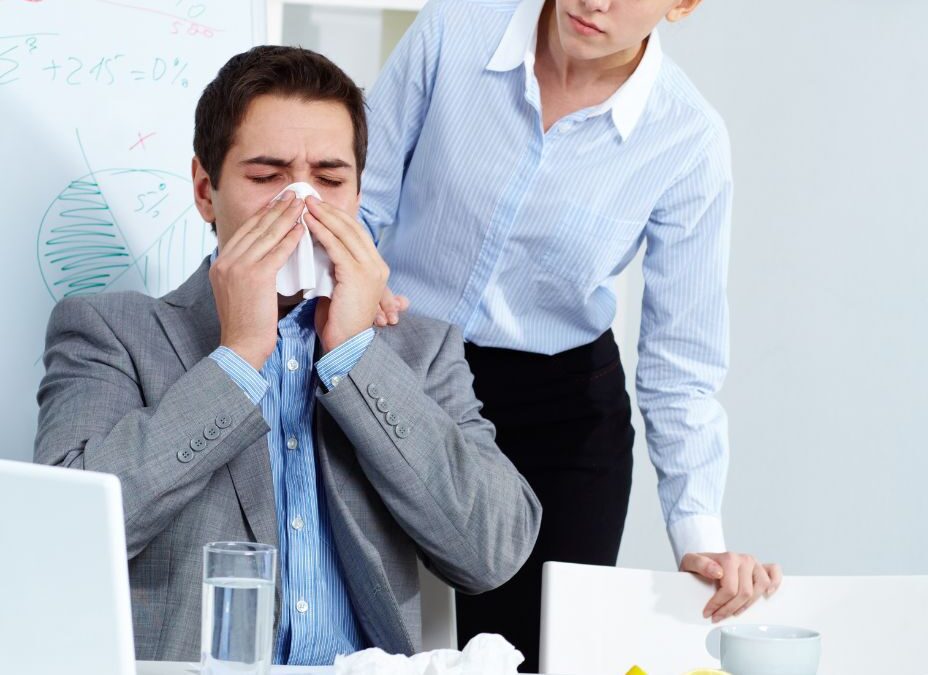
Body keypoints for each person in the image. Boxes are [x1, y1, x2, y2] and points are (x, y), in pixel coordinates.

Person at [34, 45, 541, 665]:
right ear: (204, 189)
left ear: (358, 194)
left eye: (329, 180)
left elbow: (492, 552)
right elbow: (63, 542)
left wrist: (355, 355)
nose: (301, 205)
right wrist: (239, 358)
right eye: (267, 176)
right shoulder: (110, 331)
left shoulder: (418, 348)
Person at [361, 0, 782, 668]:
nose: (596, 2)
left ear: (683, 5)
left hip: (556, 415)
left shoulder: (688, 139)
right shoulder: (453, 31)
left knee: (538, 657)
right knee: (370, 638)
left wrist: (698, 530)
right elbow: (359, 195)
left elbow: (681, 362)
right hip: (397, 373)